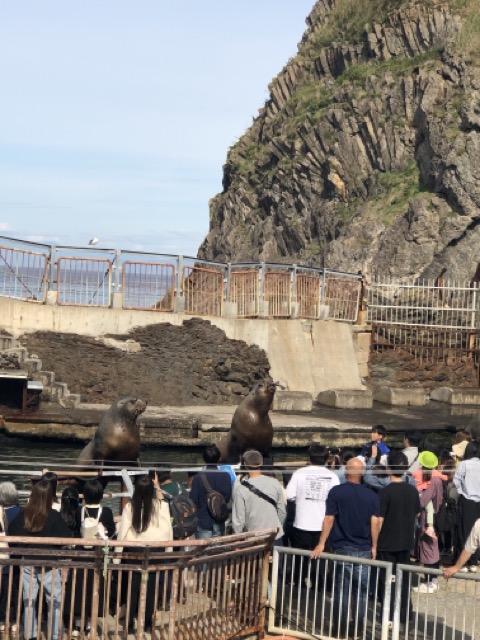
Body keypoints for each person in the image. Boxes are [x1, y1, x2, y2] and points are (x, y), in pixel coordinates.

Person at [311, 458, 380, 638]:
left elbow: (329, 519)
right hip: (363, 548)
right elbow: (375, 523)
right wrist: (374, 546)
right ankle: (357, 628)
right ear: (362, 473)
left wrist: (321, 543)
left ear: (346, 471)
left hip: (342, 547)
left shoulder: (336, 492)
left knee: (341, 591)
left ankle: (339, 629)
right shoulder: (372, 495)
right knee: (361, 593)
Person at [9, 479, 72, 640]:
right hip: (50, 563)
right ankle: (55, 634)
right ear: (50, 496)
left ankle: (30, 634)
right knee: (54, 601)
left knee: (29, 600)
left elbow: (12, 535)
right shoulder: (54, 516)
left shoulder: (24, 514)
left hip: (28, 561)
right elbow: (66, 538)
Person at [117, 473, 173, 632]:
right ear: (151, 491)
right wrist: (168, 552)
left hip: (134, 550)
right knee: (150, 588)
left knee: (132, 587)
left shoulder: (130, 506)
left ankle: (129, 622)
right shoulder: (162, 506)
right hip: (155, 550)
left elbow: (122, 533)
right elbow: (168, 529)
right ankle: (148, 622)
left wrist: (117, 556)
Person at [376, 452, 421, 624]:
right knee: (403, 580)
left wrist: (374, 542)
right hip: (406, 541)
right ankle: (405, 613)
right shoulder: (412, 490)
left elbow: (379, 519)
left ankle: (388, 614)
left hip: (386, 542)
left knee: (386, 581)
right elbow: (417, 511)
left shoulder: (384, 492)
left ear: (388, 468)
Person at [286, 444, 339, 586]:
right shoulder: (332, 476)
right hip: (323, 525)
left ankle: (299, 583)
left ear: (309, 458)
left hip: (302, 523)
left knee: (300, 558)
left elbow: (289, 495)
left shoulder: (299, 473)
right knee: (321, 558)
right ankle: (319, 585)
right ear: (326, 459)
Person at [72, 478, 115, 635]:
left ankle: (77, 624)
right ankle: (91, 625)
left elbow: (76, 530)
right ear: (101, 495)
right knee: (94, 588)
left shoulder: (79, 511)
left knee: (79, 588)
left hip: (81, 555)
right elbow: (111, 532)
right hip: (98, 556)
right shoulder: (107, 512)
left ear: (85, 495)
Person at [232, 449, 286, 544]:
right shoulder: (275, 483)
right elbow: (282, 511)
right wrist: (277, 527)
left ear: (245, 464)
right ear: (261, 462)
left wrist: (238, 540)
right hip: (275, 536)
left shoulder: (241, 489)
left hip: (254, 538)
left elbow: (238, 521)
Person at [190, 445, 232, 538]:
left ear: (204, 459)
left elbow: (193, 501)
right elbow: (227, 497)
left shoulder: (198, 478)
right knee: (217, 551)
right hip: (219, 519)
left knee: (204, 551)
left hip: (203, 521)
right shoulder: (226, 476)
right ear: (219, 458)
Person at [453, 440, 480, 572]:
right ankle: (474, 561)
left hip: (467, 499)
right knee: (477, 531)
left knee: (465, 530)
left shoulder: (464, 464)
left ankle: (464, 562)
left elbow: (456, 480)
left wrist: (461, 491)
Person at [0, 482, 21, 633]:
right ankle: (14, 621)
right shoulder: (22, 512)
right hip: (19, 559)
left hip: (2, 558)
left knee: (2, 591)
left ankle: (1, 620)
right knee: (16, 591)